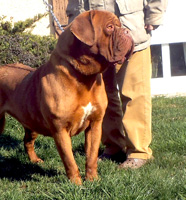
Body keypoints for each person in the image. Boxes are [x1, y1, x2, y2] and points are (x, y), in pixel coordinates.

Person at [66, 0, 167, 169]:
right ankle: (113, 145)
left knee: (135, 92)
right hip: (95, 39)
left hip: (130, 28)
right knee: (103, 94)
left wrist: (155, 15)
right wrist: (74, 22)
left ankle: (138, 151)